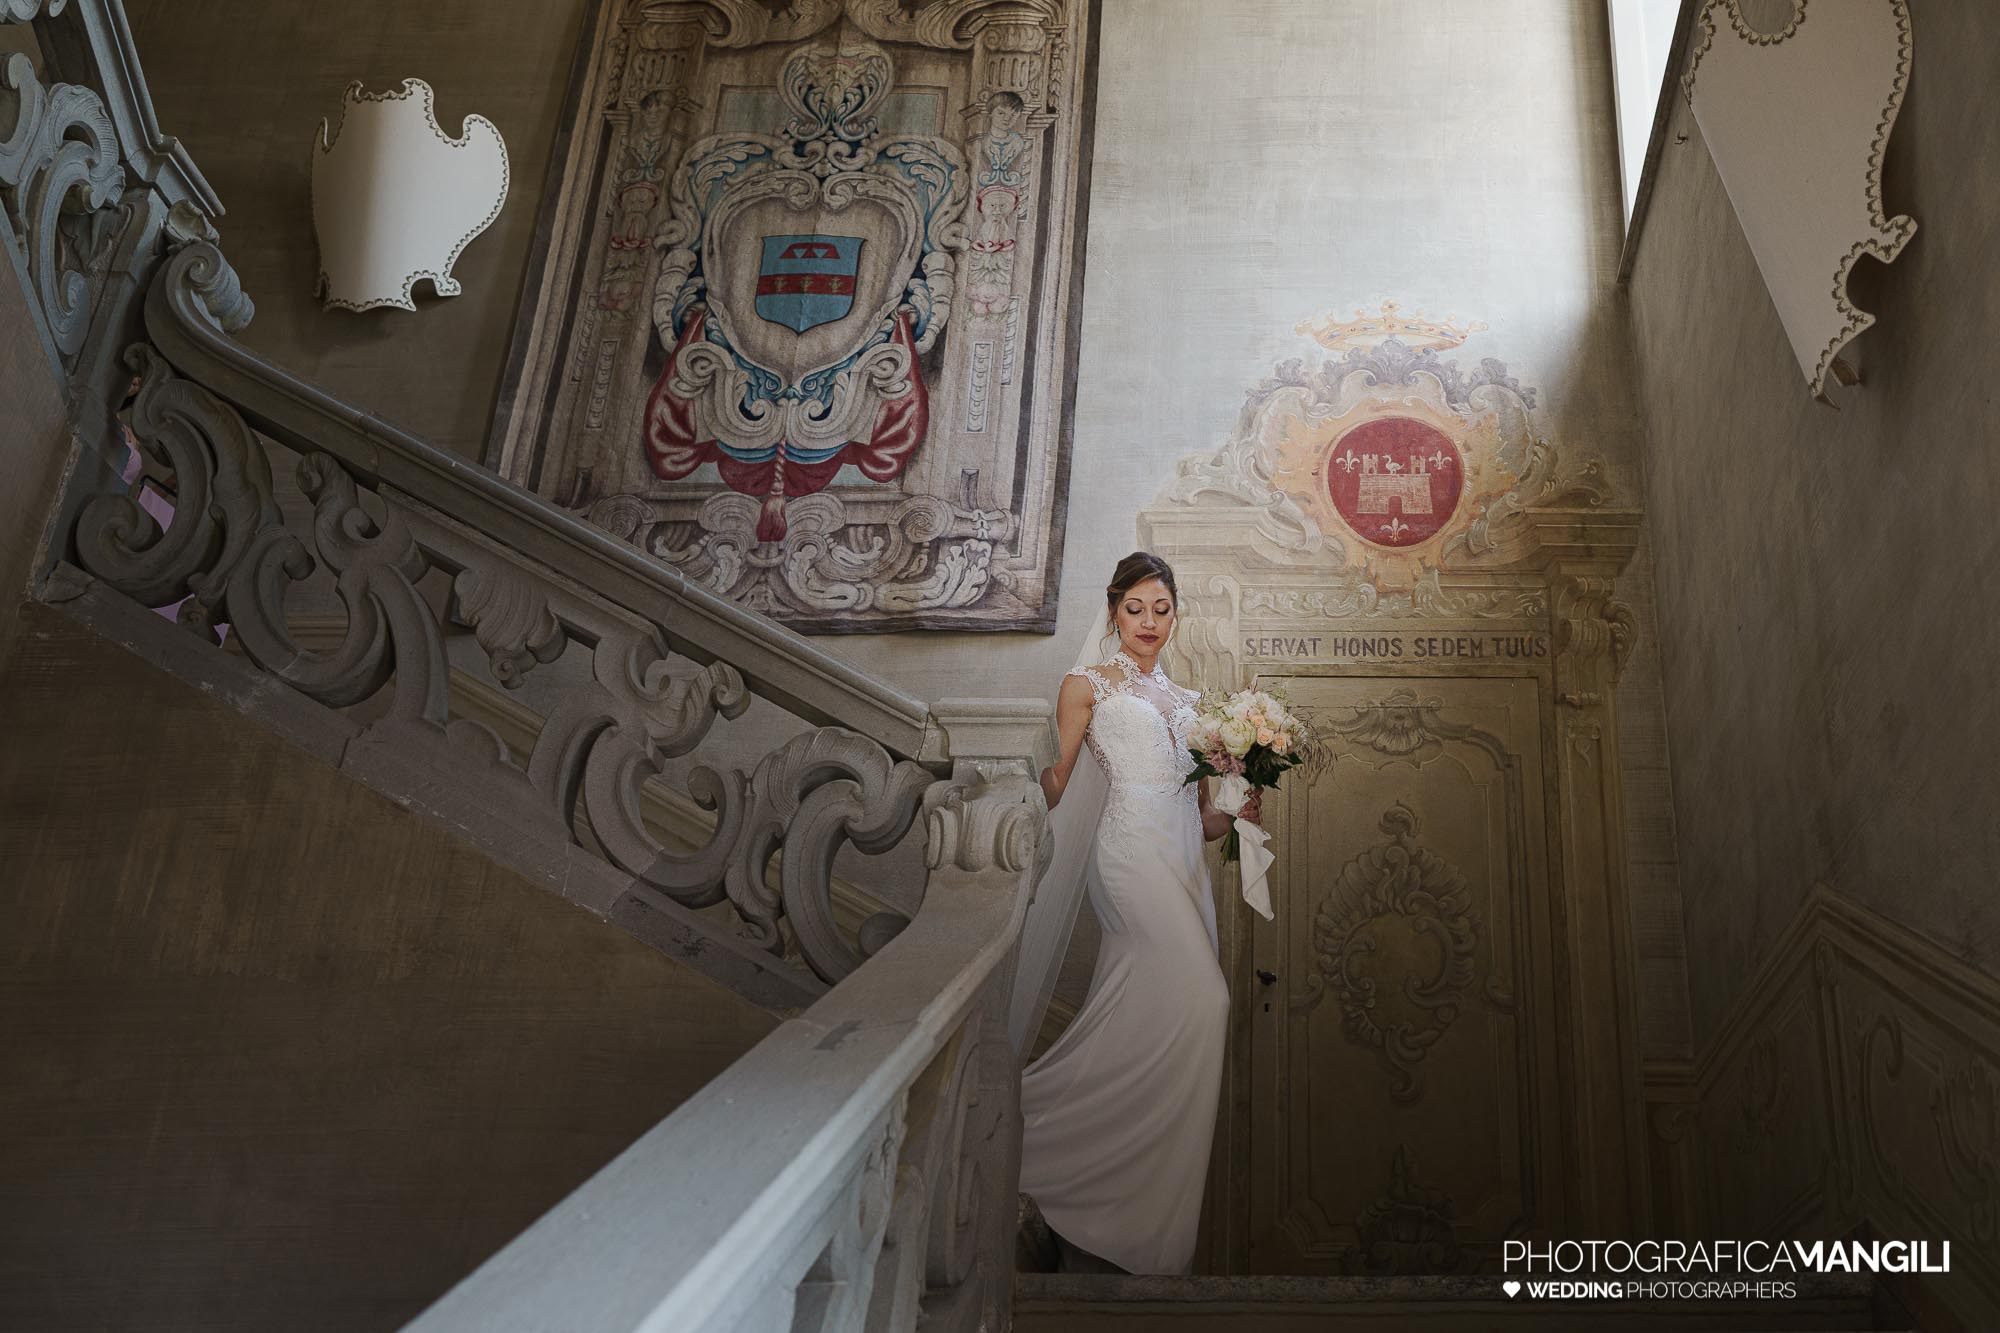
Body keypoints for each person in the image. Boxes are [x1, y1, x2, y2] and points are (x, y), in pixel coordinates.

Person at [1016, 551, 1262, 1275]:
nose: (1150, 622)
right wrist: (1017, 772)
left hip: (1182, 857)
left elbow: (1205, 821)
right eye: (1136, 609)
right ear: (1115, 610)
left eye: (1162, 609)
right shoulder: (1086, 684)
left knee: (1146, 1013)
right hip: (1126, 854)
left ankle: (1118, 1209)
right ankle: (1037, 1137)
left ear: (1175, 613)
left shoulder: (1192, 703)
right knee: (1205, 1001)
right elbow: (1056, 783)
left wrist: (1240, 803)